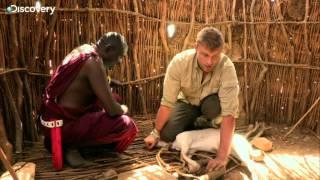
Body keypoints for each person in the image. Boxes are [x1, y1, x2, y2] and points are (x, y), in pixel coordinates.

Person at [144, 27, 239, 171]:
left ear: (222, 51)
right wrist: (155, 133)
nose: (209, 62)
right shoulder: (179, 62)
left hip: (210, 106)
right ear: (196, 47)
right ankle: (197, 124)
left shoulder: (227, 68)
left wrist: (222, 156)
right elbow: (167, 103)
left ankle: (205, 121)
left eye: (215, 56)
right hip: (186, 103)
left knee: (213, 107)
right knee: (167, 134)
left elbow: (229, 114)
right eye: (205, 55)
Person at [40, 32, 138, 168]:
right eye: (120, 56)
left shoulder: (84, 49)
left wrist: (109, 82)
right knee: (127, 125)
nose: (120, 61)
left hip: (51, 122)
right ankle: (70, 146)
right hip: (64, 127)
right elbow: (113, 110)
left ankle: (70, 143)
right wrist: (124, 109)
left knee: (115, 98)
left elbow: (81, 83)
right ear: (109, 49)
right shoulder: (93, 63)